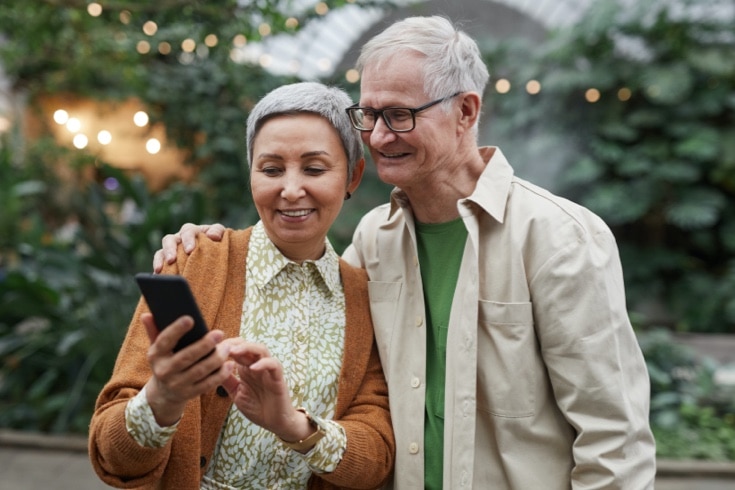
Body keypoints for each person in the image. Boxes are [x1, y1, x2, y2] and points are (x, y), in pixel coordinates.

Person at [154, 15, 657, 489]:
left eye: (399, 114)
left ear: (466, 111)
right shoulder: (374, 240)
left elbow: (615, 440)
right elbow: (305, 299)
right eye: (369, 114)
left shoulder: (558, 237)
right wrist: (214, 245)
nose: (377, 136)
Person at [89, 82, 395, 490]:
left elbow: (376, 454)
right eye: (270, 169)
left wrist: (293, 425)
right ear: (250, 172)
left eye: (314, 168)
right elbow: (111, 456)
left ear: (352, 176)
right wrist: (161, 398)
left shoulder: (363, 295)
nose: (290, 189)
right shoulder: (196, 262)